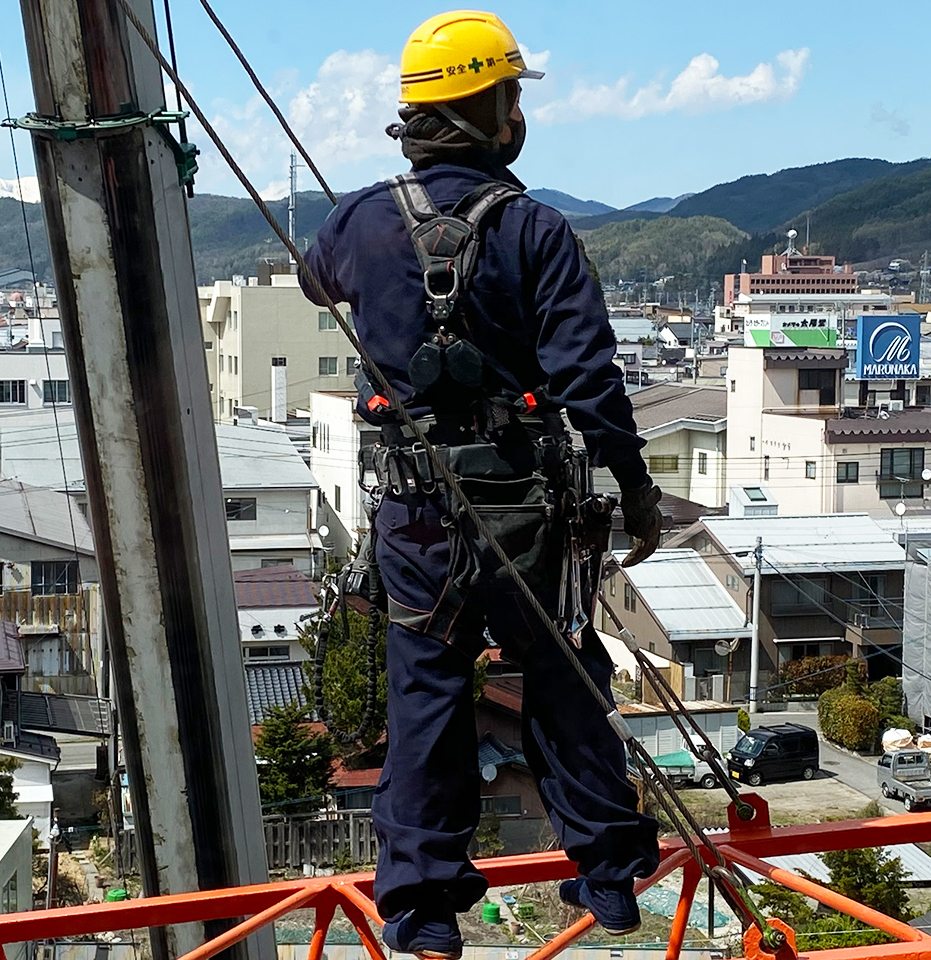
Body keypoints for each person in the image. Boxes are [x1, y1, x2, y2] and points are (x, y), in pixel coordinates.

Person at [301, 10, 666, 959]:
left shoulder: (361, 221)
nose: (518, 113)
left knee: (426, 692)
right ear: (491, 110)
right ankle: (609, 873)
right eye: (511, 95)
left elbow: (315, 280)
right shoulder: (536, 231)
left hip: (420, 514)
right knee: (561, 674)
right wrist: (634, 487)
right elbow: (589, 379)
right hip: (527, 509)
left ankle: (421, 909)